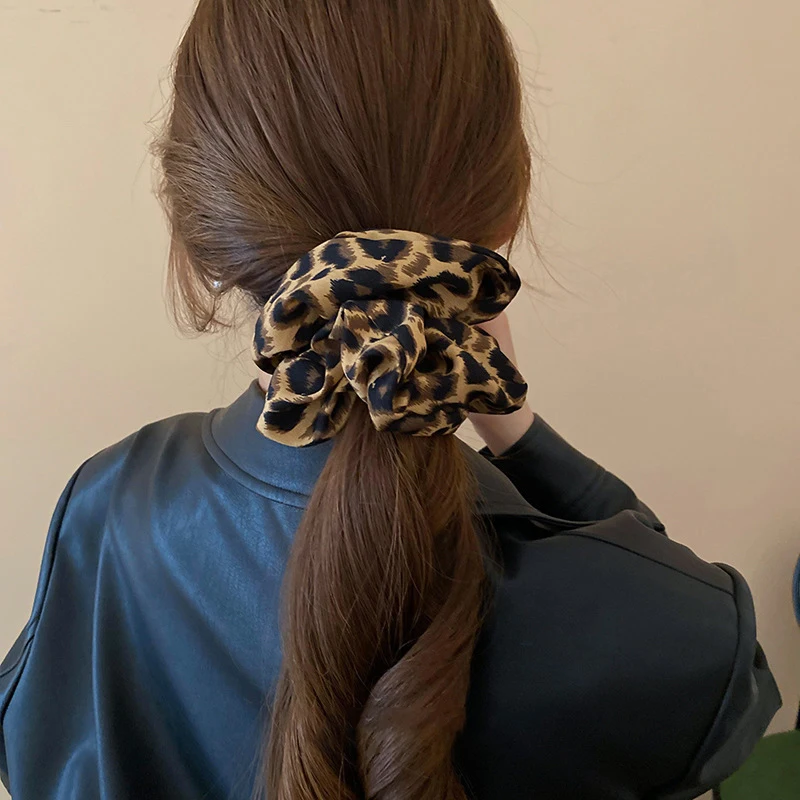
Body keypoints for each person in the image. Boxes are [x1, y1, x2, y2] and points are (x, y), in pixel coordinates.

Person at [0, 2, 780, 799]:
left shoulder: (108, 511)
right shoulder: (647, 623)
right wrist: (515, 426)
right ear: (505, 214)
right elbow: (728, 670)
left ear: (203, 231)